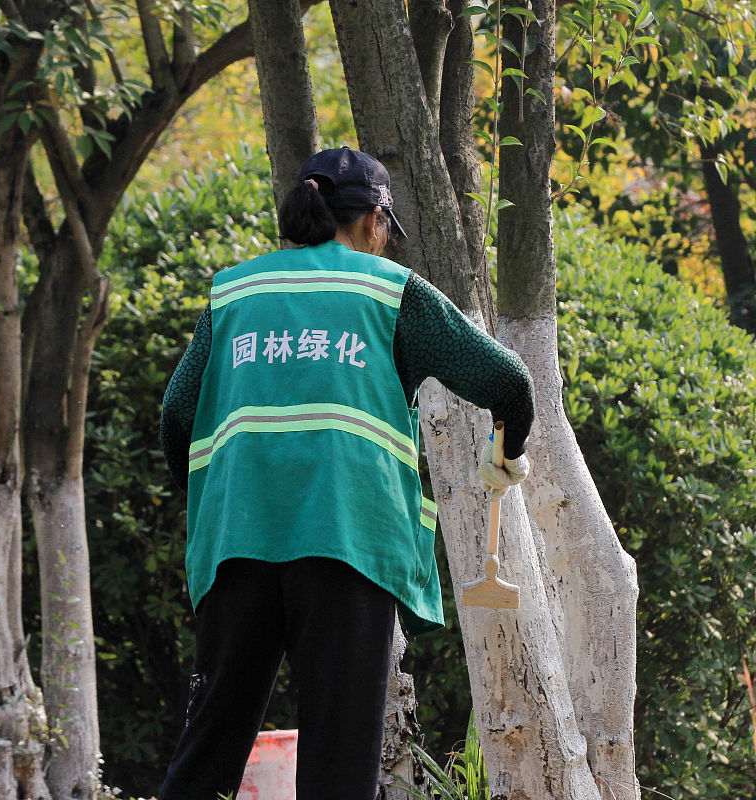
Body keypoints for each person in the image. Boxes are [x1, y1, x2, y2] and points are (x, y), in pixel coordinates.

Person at [157, 147, 534, 800]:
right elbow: (510, 378)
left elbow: (176, 410)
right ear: (373, 221)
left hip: (237, 544)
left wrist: (210, 499)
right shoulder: (391, 293)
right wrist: (509, 449)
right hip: (348, 547)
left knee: (208, 751)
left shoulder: (235, 292)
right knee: (339, 767)